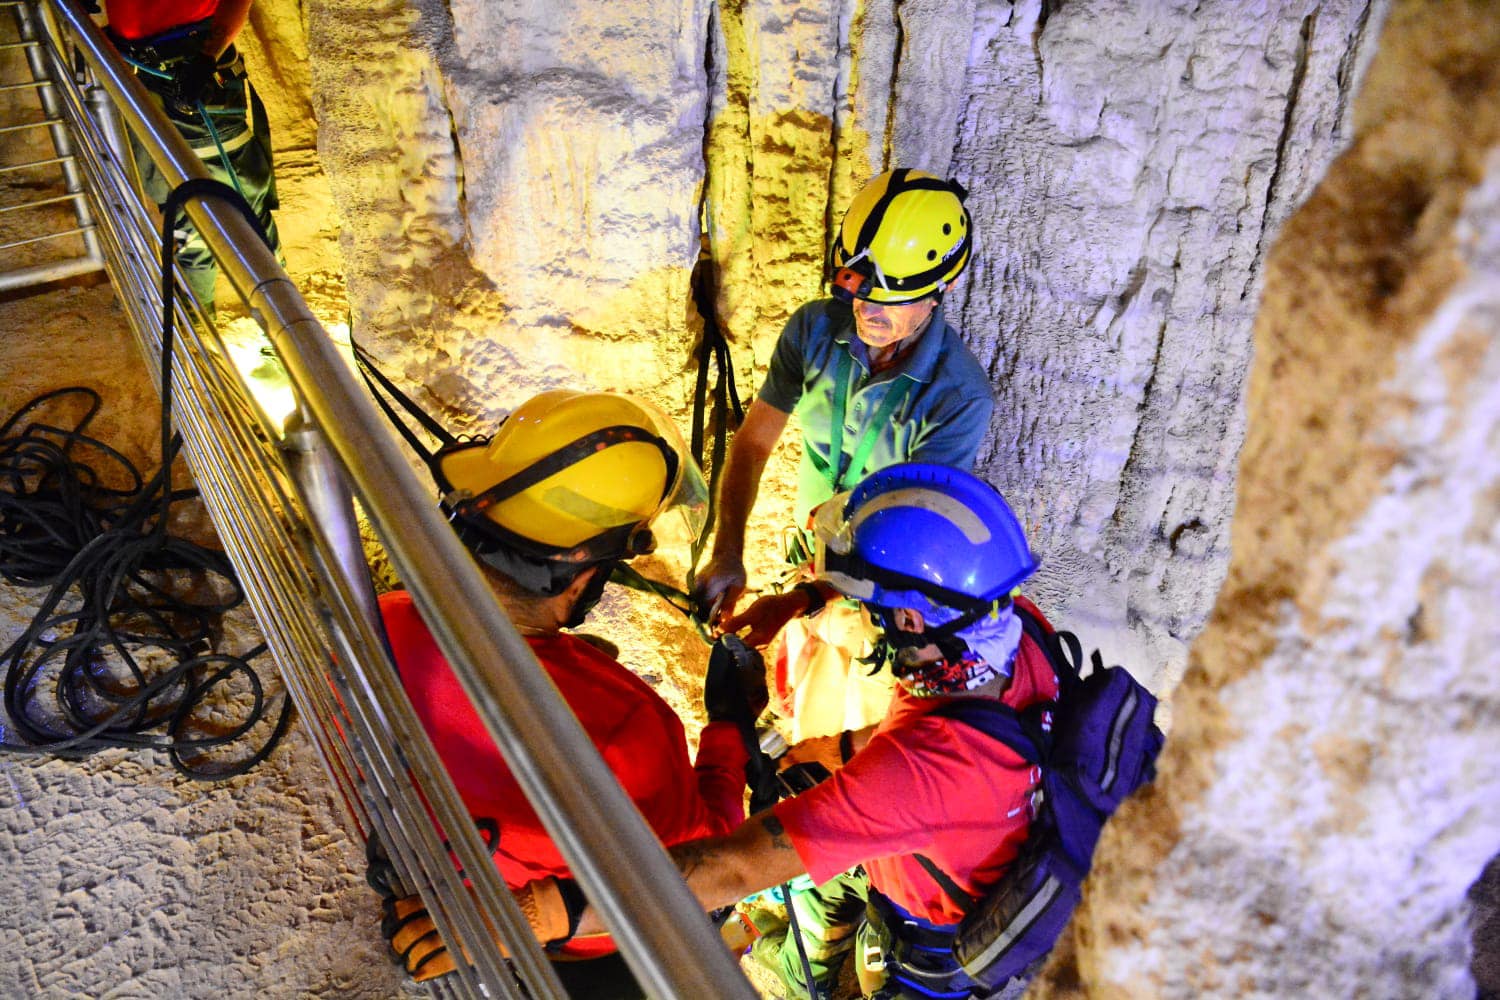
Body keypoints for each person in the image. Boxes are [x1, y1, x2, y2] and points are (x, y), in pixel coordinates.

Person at [555, 462, 1061, 998]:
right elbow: (950, 735)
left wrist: (561, 908)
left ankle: (799, 977)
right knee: (839, 882)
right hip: (975, 848)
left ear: (911, 620)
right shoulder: (1011, 627)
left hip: (940, 935)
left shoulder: (913, 775)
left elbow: (734, 868)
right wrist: (803, 605)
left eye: (872, 608)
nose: (868, 614)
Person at [376, 390, 753, 995]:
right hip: (579, 950)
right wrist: (730, 729)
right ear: (583, 576)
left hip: (443, 881)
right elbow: (704, 861)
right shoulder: (627, 724)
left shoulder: (383, 622)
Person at [691, 167, 996, 743]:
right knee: (800, 707)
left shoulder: (957, 396)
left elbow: (906, 541)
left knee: (853, 739)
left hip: (883, 598)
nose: (866, 312)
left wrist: (804, 599)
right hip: (808, 563)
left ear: (941, 291)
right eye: (857, 295)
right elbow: (754, 443)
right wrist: (729, 550)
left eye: (890, 302)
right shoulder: (813, 329)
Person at [101, 0, 282, 312]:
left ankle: (281, 322)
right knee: (179, 204)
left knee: (239, 198)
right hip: (144, 74)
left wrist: (207, 57)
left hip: (197, 68)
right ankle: (200, 318)